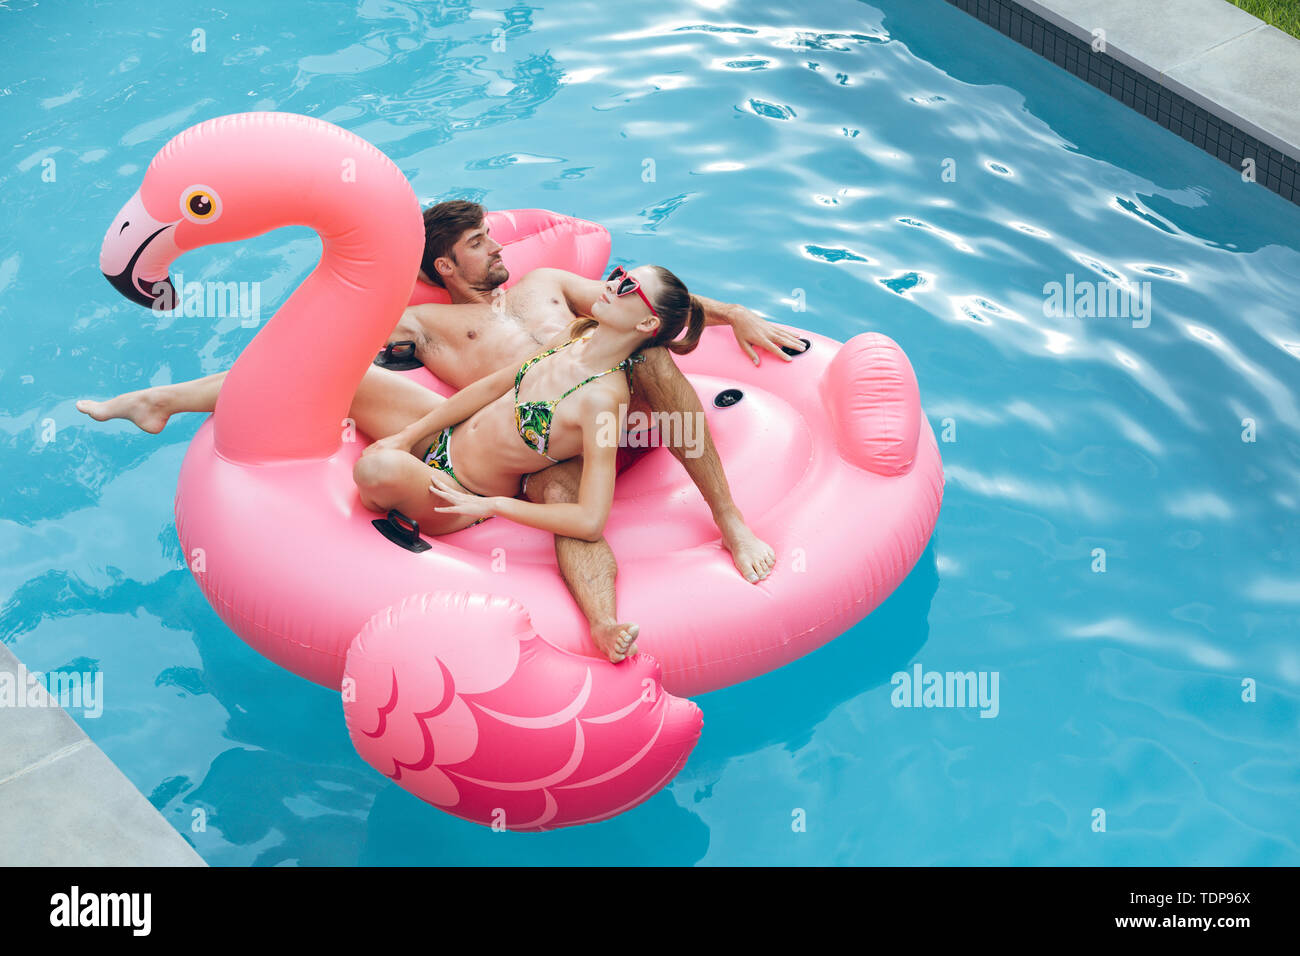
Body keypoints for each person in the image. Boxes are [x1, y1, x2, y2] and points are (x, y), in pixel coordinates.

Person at [77, 201, 808, 662]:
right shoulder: (423, 324)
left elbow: (649, 306)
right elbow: (315, 353)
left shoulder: (550, 286)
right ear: (444, 264)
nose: (498, 251)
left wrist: (733, 312)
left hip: (616, 415)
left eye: (495, 238)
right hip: (530, 444)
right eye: (480, 244)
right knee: (544, 481)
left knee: (650, 364)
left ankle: (730, 520)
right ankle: (163, 400)